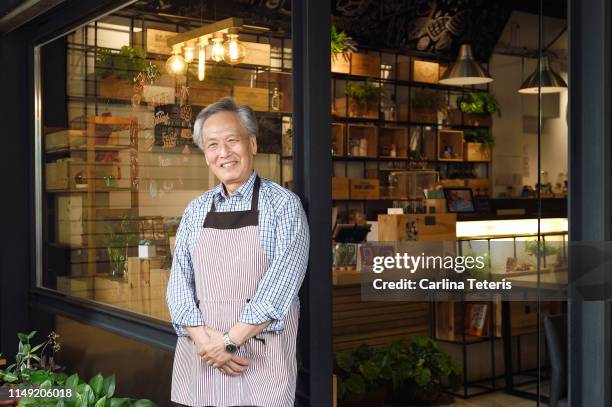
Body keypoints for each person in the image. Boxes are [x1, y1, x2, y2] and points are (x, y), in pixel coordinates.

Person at [166, 98, 309, 407]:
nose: (224, 153)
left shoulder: (284, 206)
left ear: (252, 143)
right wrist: (209, 344)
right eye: (213, 144)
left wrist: (229, 342)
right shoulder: (195, 211)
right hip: (202, 360)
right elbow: (179, 287)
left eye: (232, 140)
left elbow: (279, 290)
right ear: (205, 155)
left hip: (260, 361)